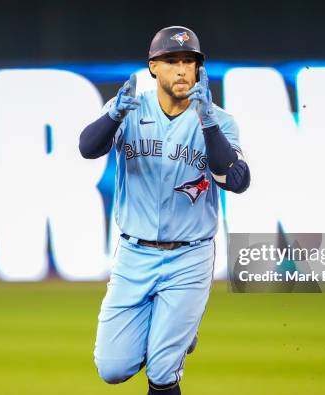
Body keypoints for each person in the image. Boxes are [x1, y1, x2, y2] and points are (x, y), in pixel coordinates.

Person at [79, 25, 250, 395]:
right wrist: (113, 117)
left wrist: (207, 124)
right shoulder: (128, 107)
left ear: (199, 69)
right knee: (112, 368)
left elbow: (237, 180)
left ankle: (173, 337)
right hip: (133, 254)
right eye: (171, 60)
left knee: (161, 369)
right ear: (153, 67)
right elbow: (87, 148)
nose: (181, 69)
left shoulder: (218, 120)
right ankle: (178, 332)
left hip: (189, 256)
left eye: (189, 60)